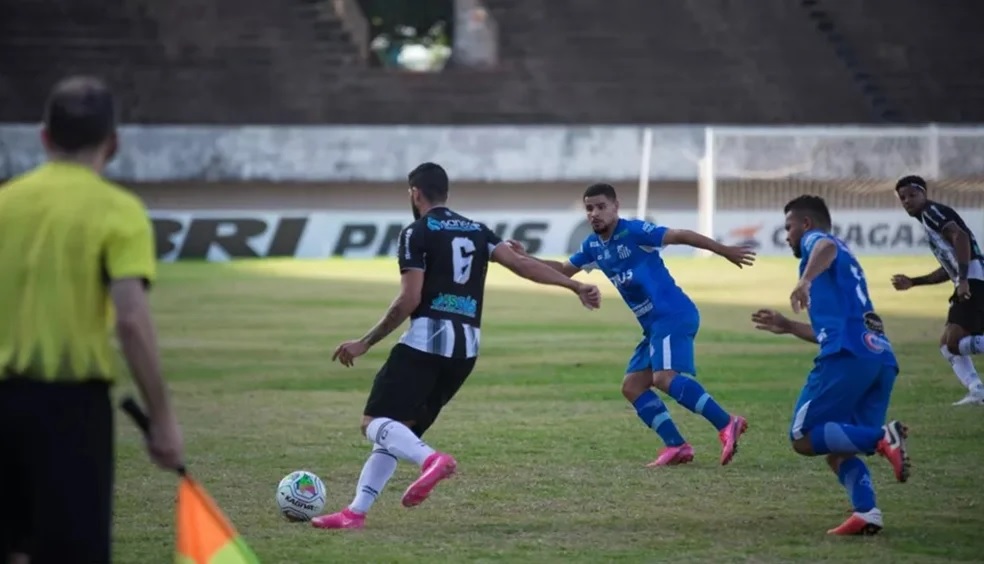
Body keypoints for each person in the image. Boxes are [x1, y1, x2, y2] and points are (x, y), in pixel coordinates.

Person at [312, 162, 601, 530]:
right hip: (465, 351)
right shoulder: (478, 230)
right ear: (445, 193)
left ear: (415, 193)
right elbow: (522, 264)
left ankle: (432, 461)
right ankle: (356, 512)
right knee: (399, 431)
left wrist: (365, 342)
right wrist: (574, 286)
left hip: (426, 342)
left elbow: (409, 299)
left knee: (374, 423)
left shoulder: (416, 232)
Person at [0, 76, 184, 564]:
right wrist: (161, 419)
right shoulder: (119, 212)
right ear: (113, 142)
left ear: (44, 137)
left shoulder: (5, 204)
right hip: (70, 411)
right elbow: (130, 320)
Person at [508, 183, 753, 467]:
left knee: (664, 378)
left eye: (601, 207)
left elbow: (679, 235)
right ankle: (677, 446)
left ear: (615, 207)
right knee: (633, 386)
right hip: (653, 326)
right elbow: (564, 269)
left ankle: (727, 422)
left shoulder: (634, 232)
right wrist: (525, 258)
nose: (595, 214)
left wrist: (722, 250)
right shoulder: (593, 246)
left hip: (672, 314)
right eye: (589, 208)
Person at [750, 195, 909, 536]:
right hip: (878, 357)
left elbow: (822, 245)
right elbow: (829, 329)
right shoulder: (845, 258)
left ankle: (883, 437)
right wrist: (789, 326)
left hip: (848, 356)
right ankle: (867, 512)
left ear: (805, 224)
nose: (788, 235)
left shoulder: (818, 243)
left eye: (789, 227)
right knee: (837, 448)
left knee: (803, 436)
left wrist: (804, 280)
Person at [892, 175, 984, 406]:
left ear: (924, 193)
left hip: (974, 279)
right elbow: (948, 269)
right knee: (947, 345)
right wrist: (914, 282)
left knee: (953, 341)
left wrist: (963, 280)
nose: (907, 201)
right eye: (903, 198)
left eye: (913, 195)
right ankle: (977, 389)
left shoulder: (932, 212)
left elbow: (960, 237)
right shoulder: (927, 219)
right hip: (970, 278)